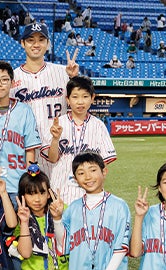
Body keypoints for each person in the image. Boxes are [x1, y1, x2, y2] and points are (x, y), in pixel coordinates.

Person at [62, 152, 130, 270]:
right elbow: (63, 245)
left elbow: (121, 249)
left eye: (93, 170)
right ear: (75, 179)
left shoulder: (119, 206)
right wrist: (58, 219)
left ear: (104, 171)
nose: (88, 177)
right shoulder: (73, 208)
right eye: (81, 173)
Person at [11, 23, 78, 197]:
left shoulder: (63, 72)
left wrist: (74, 78)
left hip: (61, 149)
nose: (36, 44)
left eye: (41, 40)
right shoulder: (11, 78)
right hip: (25, 151)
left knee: (61, 200)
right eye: (31, 40)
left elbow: (79, 103)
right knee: (31, 200)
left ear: (48, 44)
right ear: (22, 43)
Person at [40, 76, 116, 206]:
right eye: (75, 97)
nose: (80, 102)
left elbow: (103, 163)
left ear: (92, 98)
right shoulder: (59, 124)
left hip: (89, 192)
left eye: (85, 96)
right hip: (60, 190)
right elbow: (52, 159)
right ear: (67, 100)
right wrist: (55, 139)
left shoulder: (98, 125)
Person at [0, 61, 41, 205]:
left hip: (17, 183)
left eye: (4, 80)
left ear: (12, 83)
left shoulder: (24, 110)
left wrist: (29, 180)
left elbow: (30, 149)